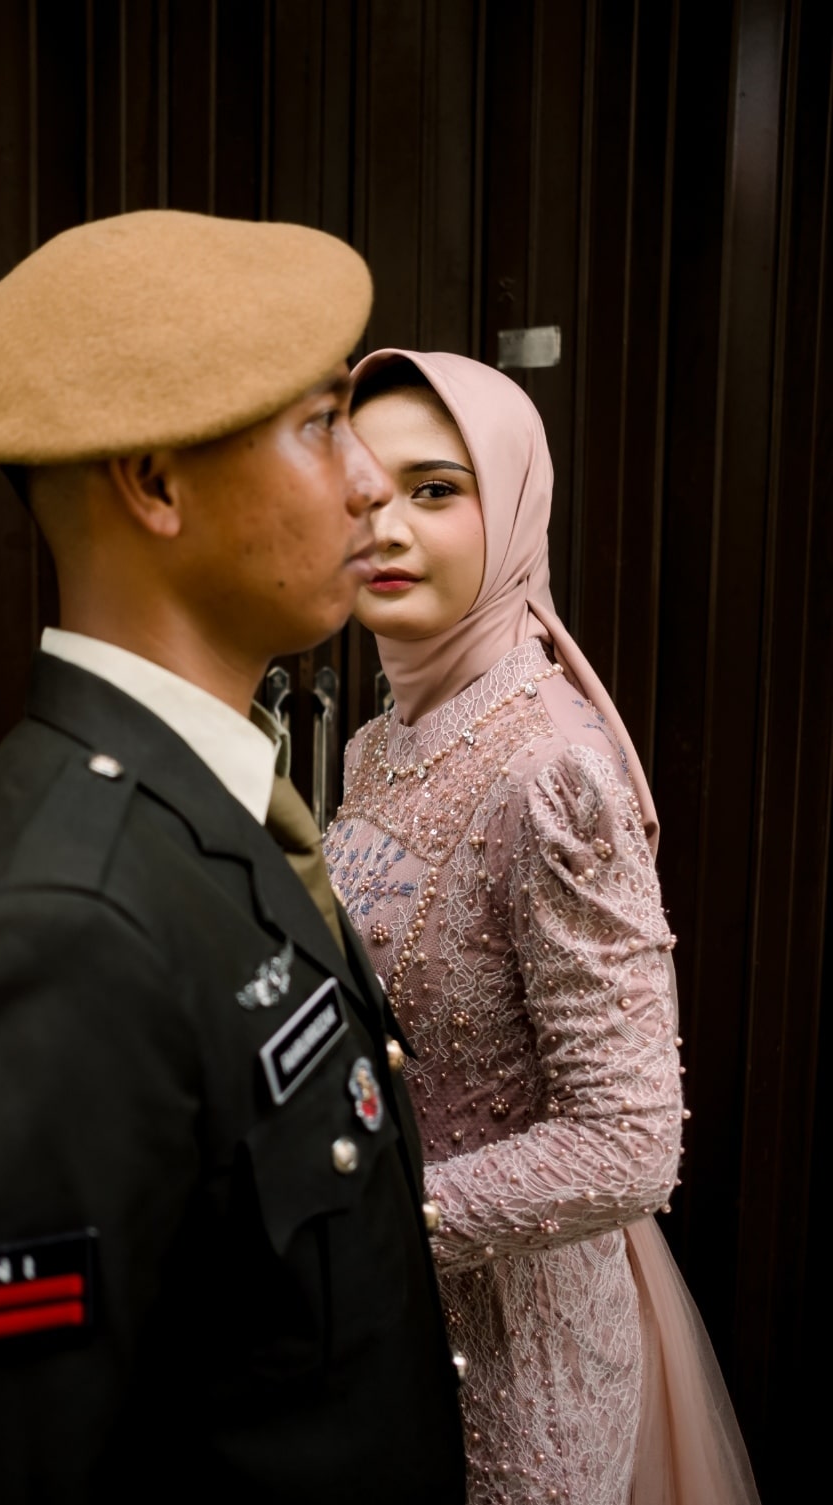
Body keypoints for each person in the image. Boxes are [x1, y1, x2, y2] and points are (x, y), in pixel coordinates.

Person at [0, 218, 467, 1504]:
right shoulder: (58, 931)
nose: (367, 485)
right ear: (157, 484)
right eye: (319, 425)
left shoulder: (208, 802)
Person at [323, 349, 761, 1505]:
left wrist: (367, 1221)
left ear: (513, 502)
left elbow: (630, 1140)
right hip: (394, 1341)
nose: (384, 526)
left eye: (434, 489)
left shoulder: (552, 771)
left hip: (519, 1381)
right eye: (359, 491)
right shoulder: (381, 740)